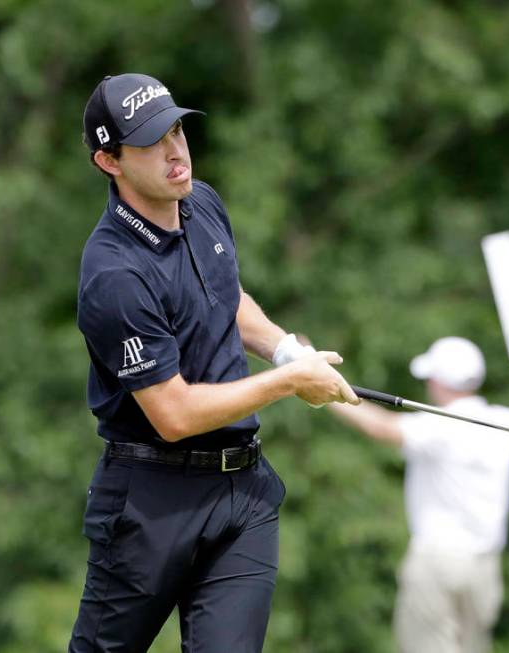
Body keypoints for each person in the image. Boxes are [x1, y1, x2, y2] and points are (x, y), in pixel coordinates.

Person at [69, 72, 360, 652]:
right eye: (151, 141)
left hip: (242, 496)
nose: (175, 150)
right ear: (110, 161)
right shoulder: (114, 275)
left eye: (176, 129)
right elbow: (173, 413)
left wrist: (286, 350)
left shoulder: (200, 203)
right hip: (150, 502)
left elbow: (226, 297)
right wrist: (287, 381)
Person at [328, 336, 509, 653]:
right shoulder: (505, 424)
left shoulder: (438, 426)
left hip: (436, 561)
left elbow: (379, 426)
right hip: (484, 565)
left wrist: (324, 390)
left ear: (439, 382)